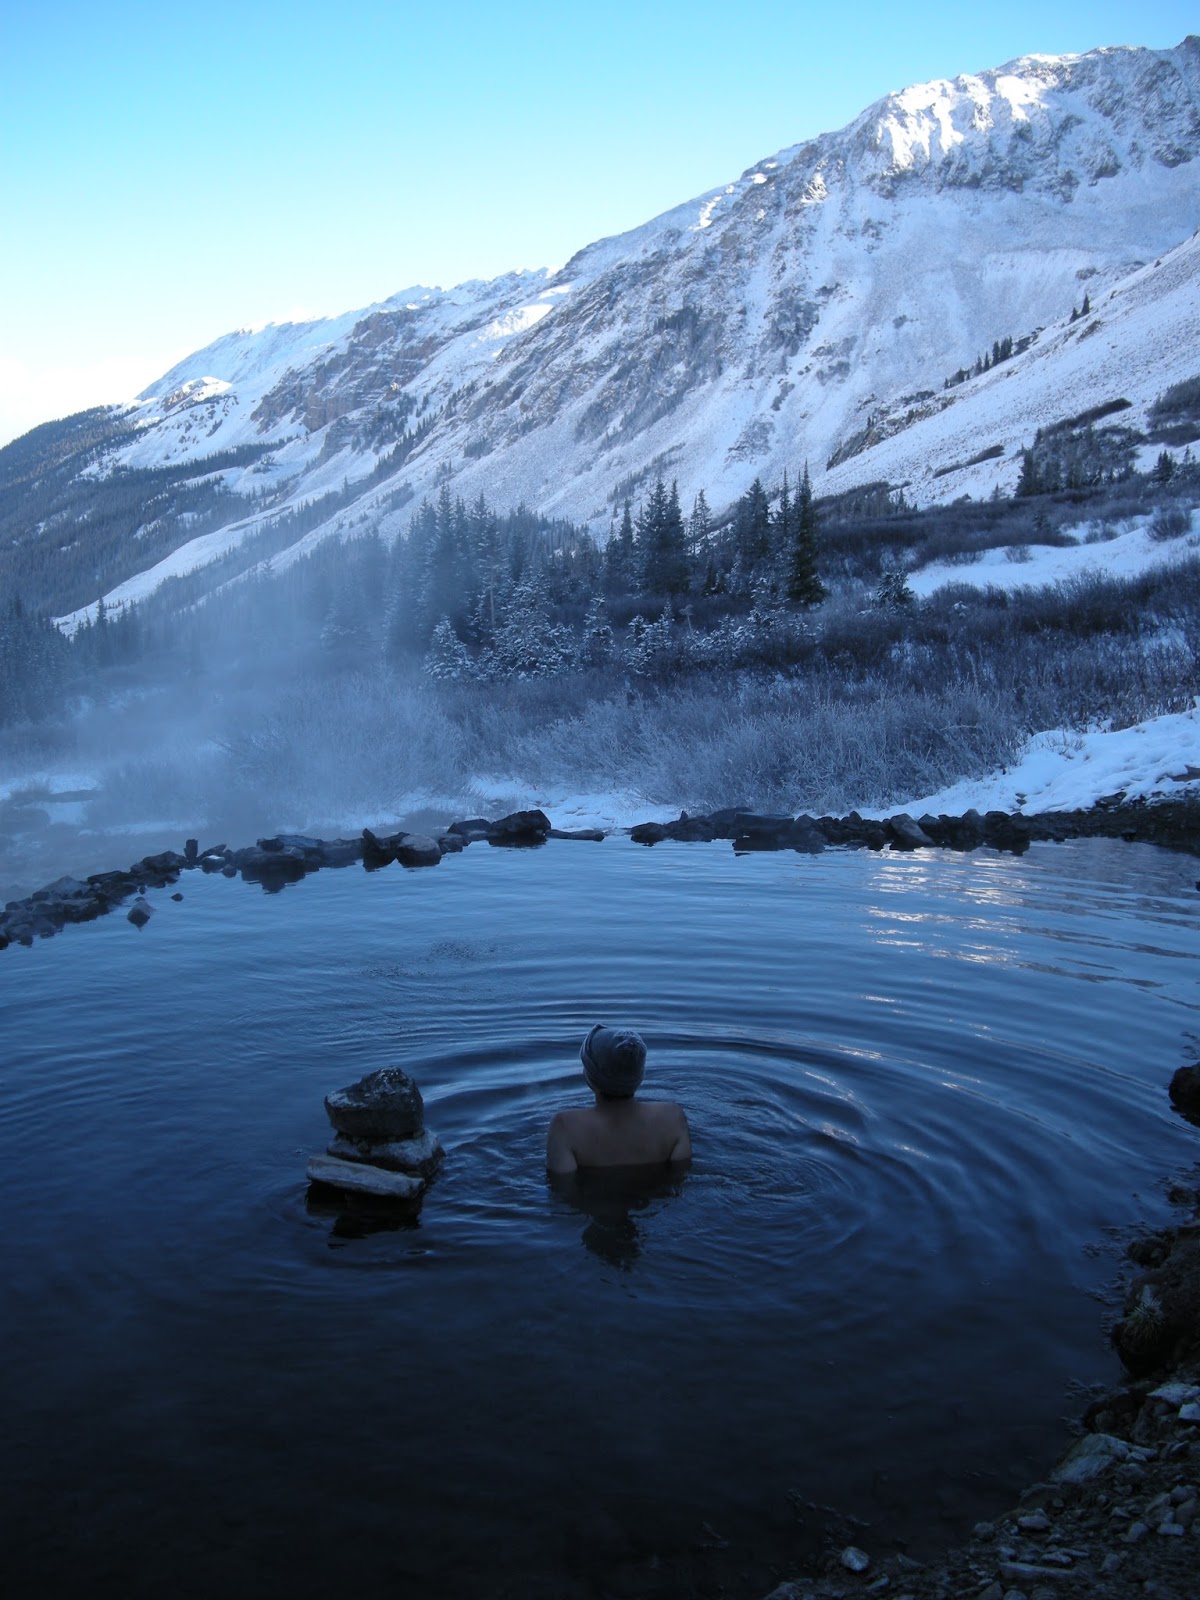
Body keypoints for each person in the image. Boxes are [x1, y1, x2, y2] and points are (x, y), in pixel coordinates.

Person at [546, 1024, 692, 1175]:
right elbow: (680, 1177)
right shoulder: (672, 1117)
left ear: (590, 1078)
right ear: (639, 1076)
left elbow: (562, 1190)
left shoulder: (565, 1126)